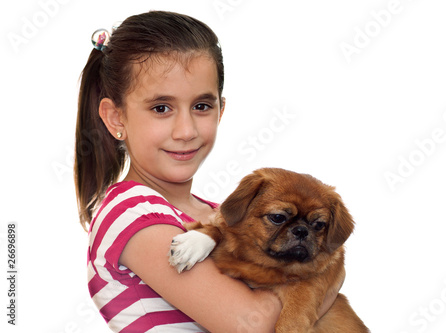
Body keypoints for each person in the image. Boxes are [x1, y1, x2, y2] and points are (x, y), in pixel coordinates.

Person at [75, 10, 341, 332]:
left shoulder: (217, 215)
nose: (186, 130)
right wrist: (328, 274)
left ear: (221, 110)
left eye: (202, 106)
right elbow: (253, 325)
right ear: (116, 118)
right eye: (161, 108)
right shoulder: (132, 213)